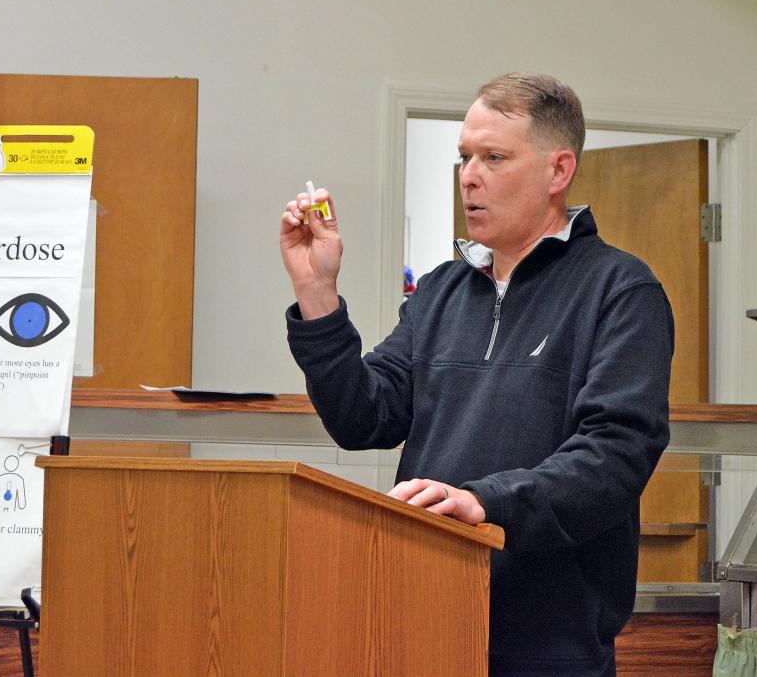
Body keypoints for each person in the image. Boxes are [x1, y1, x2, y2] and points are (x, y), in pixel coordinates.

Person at [280, 73, 673, 677]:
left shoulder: (620, 290)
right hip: (422, 617)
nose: (469, 175)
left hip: (550, 643)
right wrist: (317, 292)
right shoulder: (441, 289)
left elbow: (614, 458)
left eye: (494, 157)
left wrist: (484, 505)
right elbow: (365, 418)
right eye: (464, 157)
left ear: (558, 171)